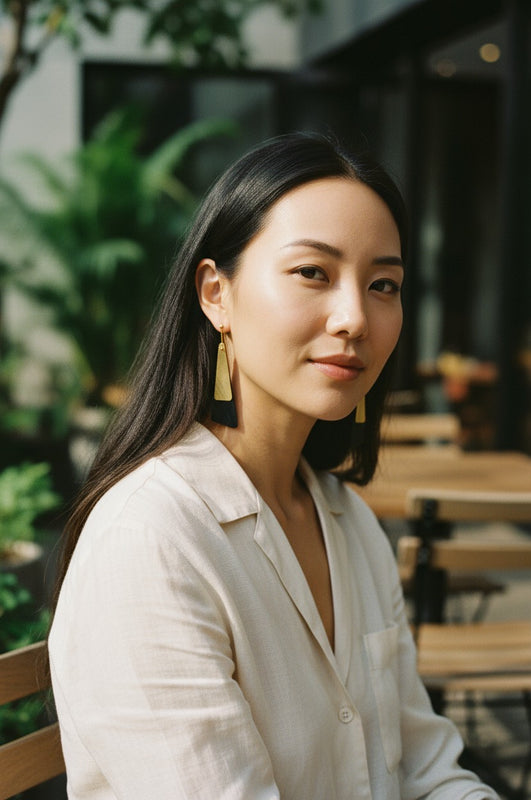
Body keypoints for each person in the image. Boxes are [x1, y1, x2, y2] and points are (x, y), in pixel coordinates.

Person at [49, 132, 498, 799]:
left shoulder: (346, 519)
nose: (354, 318)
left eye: (383, 285)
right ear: (215, 293)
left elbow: (426, 770)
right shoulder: (151, 539)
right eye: (312, 272)